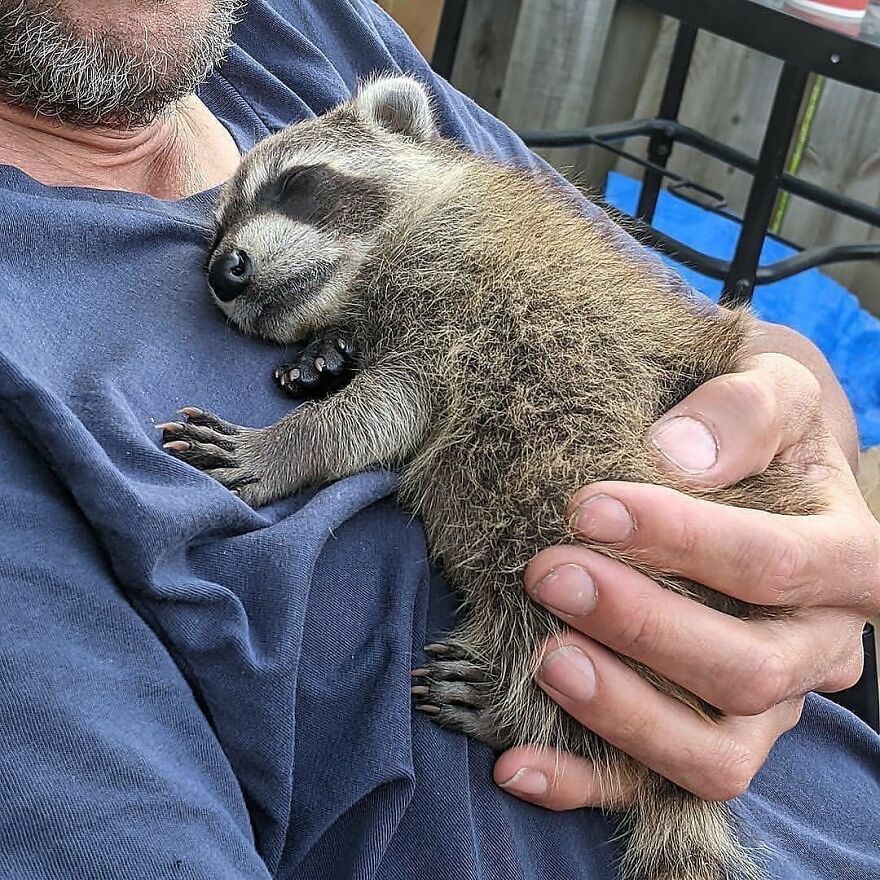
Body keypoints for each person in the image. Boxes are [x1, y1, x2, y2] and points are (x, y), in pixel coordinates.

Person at [0, 1, 877, 877]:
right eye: (219, 251)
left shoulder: (306, 32)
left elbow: (718, 341)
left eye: (298, 197)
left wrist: (803, 432)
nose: (232, 259)